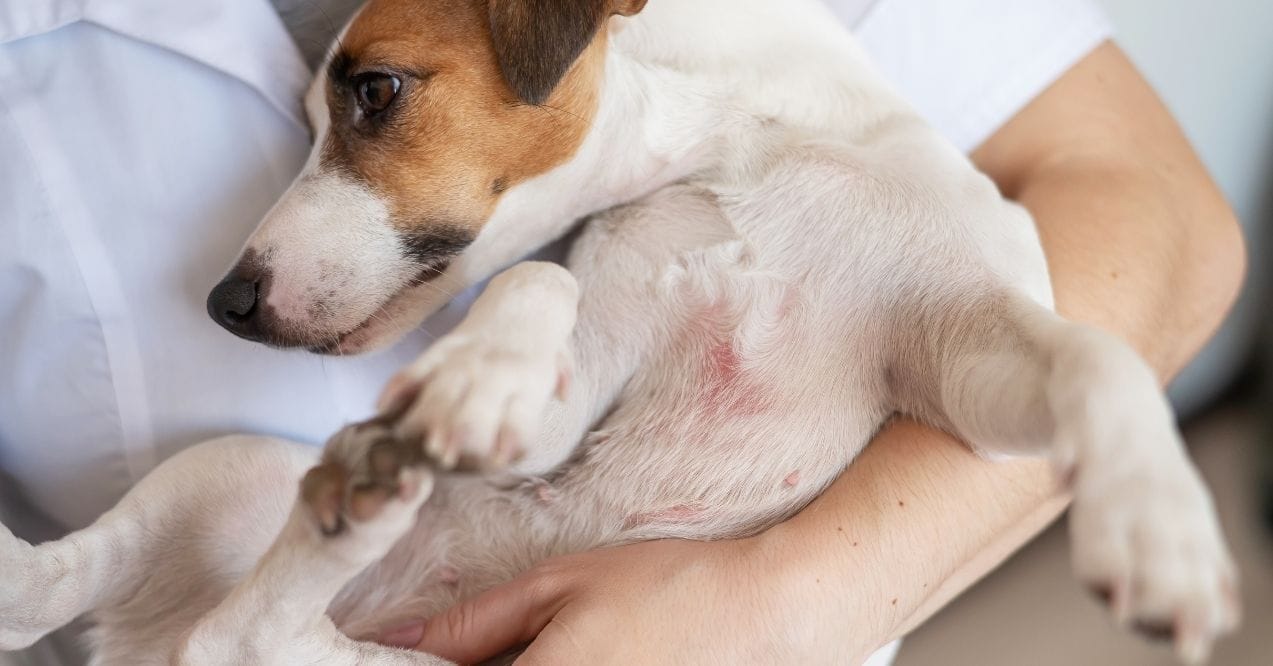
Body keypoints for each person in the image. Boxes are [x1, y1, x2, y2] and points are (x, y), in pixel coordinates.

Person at [0, 0, 1243, 664]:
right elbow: (532, 433)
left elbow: (1146, 224)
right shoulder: (634, 219)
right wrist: (522, 318)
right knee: (243, 505)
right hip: (274, 603)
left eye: (373, 105)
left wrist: (780, 607)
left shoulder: (892, 194)